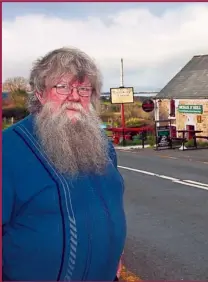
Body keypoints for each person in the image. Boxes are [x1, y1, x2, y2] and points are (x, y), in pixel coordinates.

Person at [2, 47, 127, 281]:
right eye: (62, 87)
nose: (74, 96)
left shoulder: (103, 145)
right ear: (40, 93)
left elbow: (110, 205)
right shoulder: (7, 151)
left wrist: (115, 251)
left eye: (83, 88)